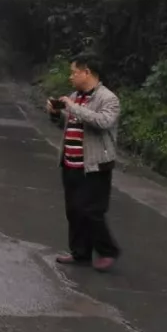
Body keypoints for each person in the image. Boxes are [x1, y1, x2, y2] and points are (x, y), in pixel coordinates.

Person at [46, 53, 121, 271]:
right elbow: (71, 123)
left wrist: (73, 106)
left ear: (87, 72)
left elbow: (103, 121)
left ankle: (108, 251)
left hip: (95, 165)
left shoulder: (108, 99)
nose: (71, 77)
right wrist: (55, 112)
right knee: (74, 210)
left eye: (74, 72)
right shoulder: (75, 96)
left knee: (91, 210)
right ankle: (80, 252)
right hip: (71, 162)